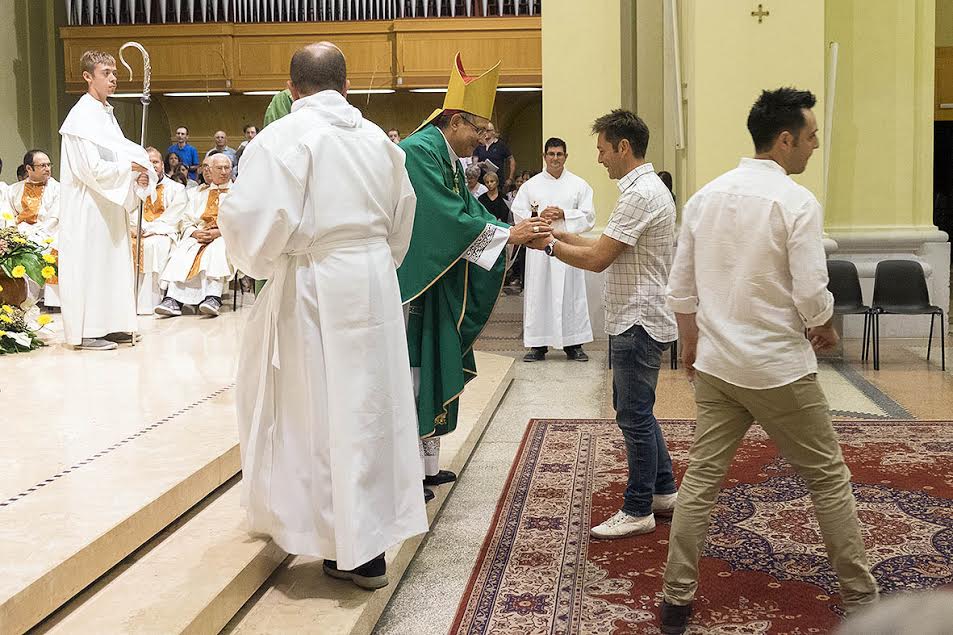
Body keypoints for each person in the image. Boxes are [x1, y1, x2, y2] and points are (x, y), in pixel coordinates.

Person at [658, 88, 879, 634]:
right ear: (785, 140)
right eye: (811, 136)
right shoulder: (796, 202)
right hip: (779, 368)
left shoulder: (704, 197)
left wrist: (690, 343)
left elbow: (680, 288)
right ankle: (862, 600)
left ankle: (675, 599)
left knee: (701, 481)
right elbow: (810, 291)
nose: (814, 145)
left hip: (718, 365)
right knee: (828, 478)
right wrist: (823, 323)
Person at [219, 41, 427, 591]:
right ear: (347, 85)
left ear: (292, 90)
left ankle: (335, 540)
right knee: (371, 409)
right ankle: (370, 544)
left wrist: (246, 243)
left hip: (315, 284)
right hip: (373, 281)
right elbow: (403, 219)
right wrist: (374, 262)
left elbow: (254, 225)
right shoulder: (380, 142)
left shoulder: (282, 138)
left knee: (318, 412)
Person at [398, 53, 551, 501]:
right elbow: (444, 219)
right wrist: (509, 236)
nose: (482, 144)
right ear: (456, 121)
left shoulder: (444, 153)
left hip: (439, 279)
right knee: (415, 372)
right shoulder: (419, 151)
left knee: (431, 367)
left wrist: (512, 233)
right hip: (421, 282)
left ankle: (426, 468)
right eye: (479, 132)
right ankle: (406, 475)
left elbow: (468, 209)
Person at [528, 110, 678, 540]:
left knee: (633, 415)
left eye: (602, 149)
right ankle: (664, 491)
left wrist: (549, 246)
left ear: (623, 147)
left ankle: (638, 508)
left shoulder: (640, 194)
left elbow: (597, 259)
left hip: (638, 319)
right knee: (638, 410)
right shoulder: (645, 189)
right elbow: (606, 243)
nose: (599, 158)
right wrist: (559, 235)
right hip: (637, 315)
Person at [58, 49, 156, 351]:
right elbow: (90, 168)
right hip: (89, 205)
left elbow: (117, 155)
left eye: (114, 73)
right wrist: (129, 169)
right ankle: (87, 331)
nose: (113, 79)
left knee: (111, 264)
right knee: (92, 265)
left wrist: (137, 176)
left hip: (109, 203)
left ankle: (112, 325)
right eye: (106, 73)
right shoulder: (81, 117)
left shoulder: (105, 114)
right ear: (88, 77)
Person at [512, 137, 595, 362]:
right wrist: (539, 216)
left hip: (568, 249)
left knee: (571, 294)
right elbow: (518, 214)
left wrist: (564, 214)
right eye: (551, 154)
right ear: (544, 156)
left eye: (559, 154)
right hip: (540, 250)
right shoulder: (531, 186)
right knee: (539, 294)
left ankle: (574, 344)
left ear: (566, 156)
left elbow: (589, 216)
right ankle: (538, 345)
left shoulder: (579, 185)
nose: (555, 158)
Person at [156, 153, 233, 317]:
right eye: (219, 168)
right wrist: (195, 232)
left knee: (216, 250)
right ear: (210, 171)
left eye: (227, 168)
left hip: (225, 236)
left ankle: (213, 297)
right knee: (183, 250)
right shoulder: (200, 194)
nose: (224, 172)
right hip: (201, 234)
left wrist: (219, 232)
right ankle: (173, 300)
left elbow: (242, 222)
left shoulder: (238, 193)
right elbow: (186, 219)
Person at [132, 147, 188, 314]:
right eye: (147, 162)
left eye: (155, 162)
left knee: (153, 245)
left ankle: (149, 302)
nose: (152, 165)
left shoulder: (176, 189)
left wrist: (148, 229)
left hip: (164, 232)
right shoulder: (134, 188)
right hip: (136, 231)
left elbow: (174, 216)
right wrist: (134, 227)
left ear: (163, 165)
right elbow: (130, 211)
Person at [2, 149, 61, 307]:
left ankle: (40, 300)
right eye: (42, 165)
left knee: (47, 249)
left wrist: (35, 233)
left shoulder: (58, 189)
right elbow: (8, 215)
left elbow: (54, 217)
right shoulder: (13, 190)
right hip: (20, 232)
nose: (47, 169)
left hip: (48, 232)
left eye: (49, 165)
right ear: (29, 168)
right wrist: (13, 233)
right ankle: (16, 298)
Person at [472, 121, 515, 188]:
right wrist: (479, 164)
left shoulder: (500, 145)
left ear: (493, 132)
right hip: (481, 181)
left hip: (497, 181)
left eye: (487, 130)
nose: (485, 133)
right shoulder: (479, 145)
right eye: (484, 131)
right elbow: (474, 163)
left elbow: (511, 159)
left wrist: (510, 178)